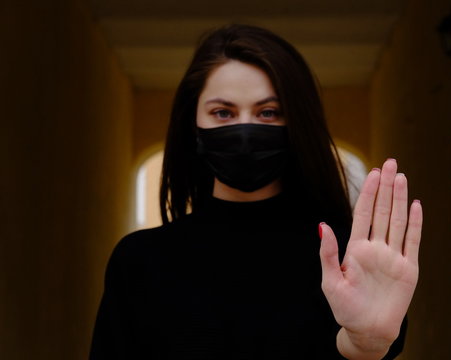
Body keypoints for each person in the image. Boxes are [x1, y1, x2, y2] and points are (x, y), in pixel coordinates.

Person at [90, 24, 423, 360]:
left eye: (268, 112)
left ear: (296, 122)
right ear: (193, 124)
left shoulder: (343, 256)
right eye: (223, 112)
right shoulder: (139, 261)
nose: (246, 131)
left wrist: (365, 344)